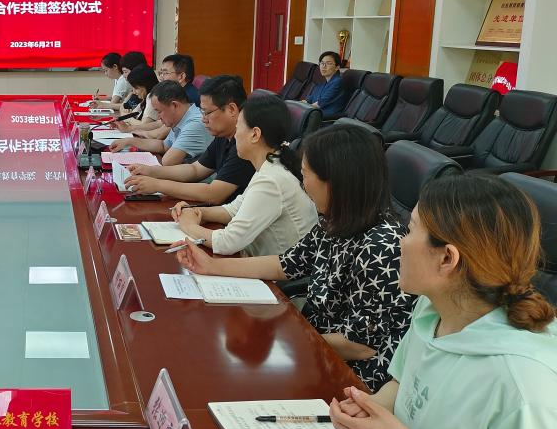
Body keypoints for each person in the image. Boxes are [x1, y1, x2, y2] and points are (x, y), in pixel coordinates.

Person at [329, 174, 557, 429]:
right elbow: (403, 381)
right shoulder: (433, 309)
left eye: (410, 230)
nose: (399, 242)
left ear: (447, 258)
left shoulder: (519, 381)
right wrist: (370, 410)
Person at [176, 123, 416, 391]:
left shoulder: (383, 247)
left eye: (306, 175)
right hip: (315, 347)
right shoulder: (337, 219)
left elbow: (360, 346)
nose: (303, 184)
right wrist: (212, 266)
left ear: (335, 182)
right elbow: (286, 263)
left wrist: (283, 337)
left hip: (353, 377)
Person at [171, 93, 318, 257]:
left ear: (255, 134)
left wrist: (188, 226)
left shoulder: (272, 180)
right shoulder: (270, 166)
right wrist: (197, 212)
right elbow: (234, 210)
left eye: (238, 127)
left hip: (273, 273)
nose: (235, 135)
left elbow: (228, 242)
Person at [123, 75, 254, 205]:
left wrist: (158, 185)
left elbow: (214, 194)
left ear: (231, 109)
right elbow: (195, 169)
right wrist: (151, 171)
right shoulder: (224, 135)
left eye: (207, 112)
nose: (203, 119)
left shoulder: (246, 143)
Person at [107, 80, 212, 165]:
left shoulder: (194, 124)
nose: (158, 117)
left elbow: (167, 161)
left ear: (174, 105)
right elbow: (163, 146)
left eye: (159, 111)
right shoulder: (183, 116)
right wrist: (128, 141)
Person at [114, 65, 160, 131]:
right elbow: (129, 114)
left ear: (146, 85)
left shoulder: (152, 97)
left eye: (136, 88)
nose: (134, 92)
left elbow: (145, 125)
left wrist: (129, 119)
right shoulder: (145, 98)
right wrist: (127, 117)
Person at [303, 51, 346, 116]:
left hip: (325, 118)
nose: (324, 66)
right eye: (322, 63)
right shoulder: (322, 84)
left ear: (337, 67)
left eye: (328, 63)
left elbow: (320, 104)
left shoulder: (338, 82)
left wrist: (301, 109)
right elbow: (309, 100)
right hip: (314, 114)